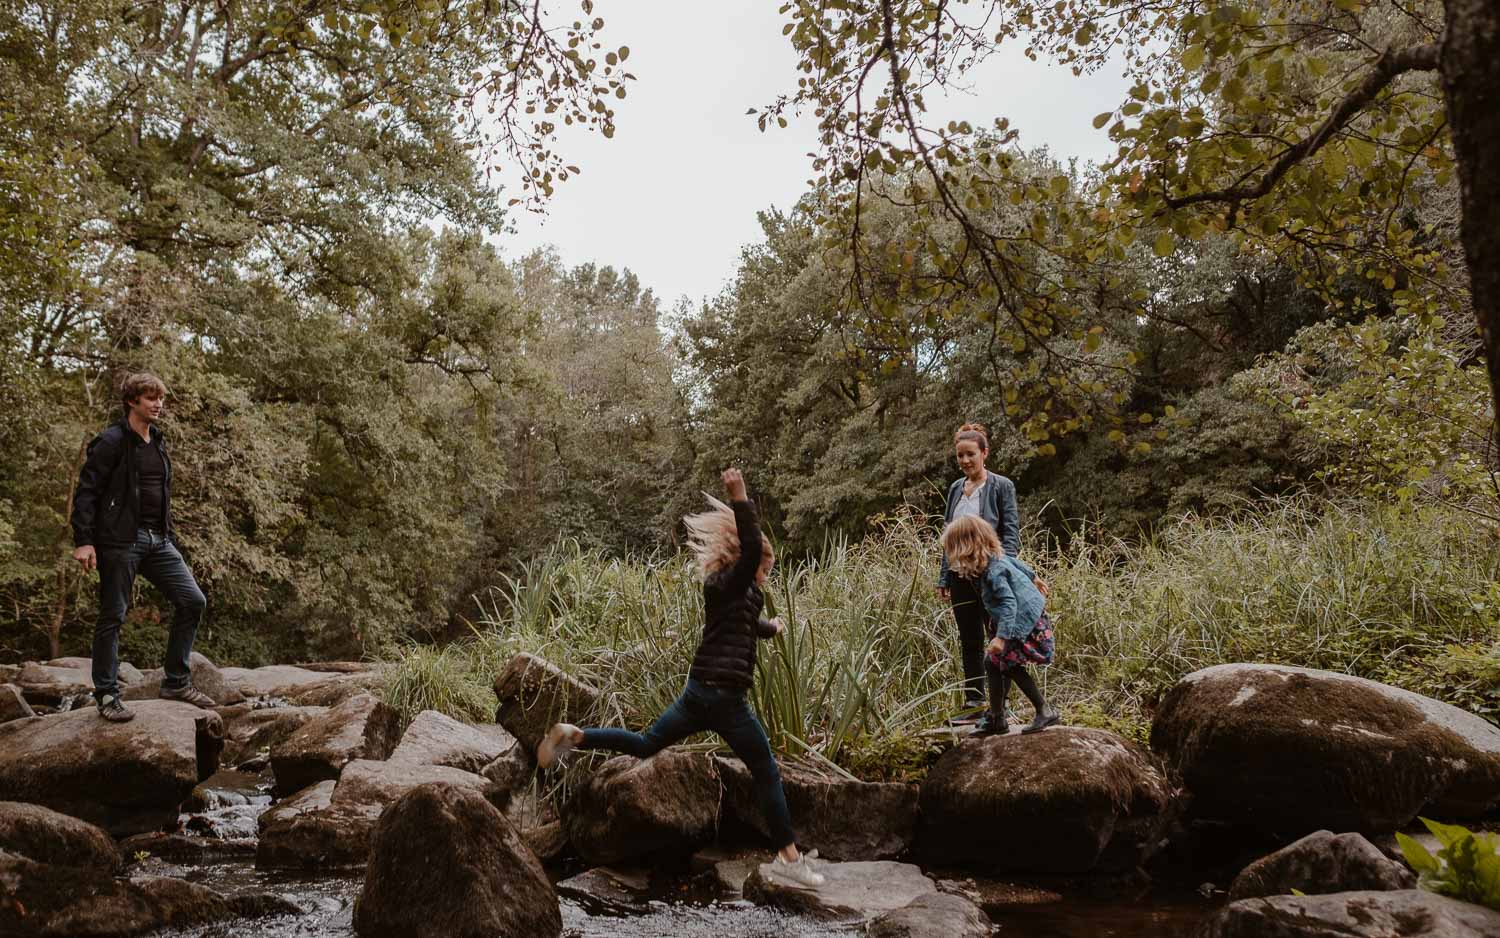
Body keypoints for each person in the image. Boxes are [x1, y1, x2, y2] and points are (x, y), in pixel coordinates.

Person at [536, 468, 825, 887]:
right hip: (728, 703)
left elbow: (748, 623)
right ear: (750, 562)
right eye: (765, 569)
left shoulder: (729, 591)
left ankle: (578, 737)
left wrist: (773, 627)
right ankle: (789, 858)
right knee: (765, 772)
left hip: (696, 694)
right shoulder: (733, 581)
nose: (765, 576)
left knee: (646, 743)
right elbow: (748, 562)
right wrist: (740, 496)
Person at [70, 373, 215, 722]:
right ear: (132, 401)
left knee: (192, 600)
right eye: (151, 398)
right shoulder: (111, 441)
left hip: (158, 540)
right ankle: (106, 694)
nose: (158, 404)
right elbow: (87, 492)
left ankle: (176, 681)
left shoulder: (157, 441)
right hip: (120, 541)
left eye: (160, 398)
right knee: (113, 615)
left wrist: (165, 533)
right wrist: (85, 540)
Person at [940, 514, 1060, 735]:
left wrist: (1001, 638)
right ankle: (997, 718)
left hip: (1022, 619)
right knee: (994, 663)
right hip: (1023, 616)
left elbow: (1008, 603)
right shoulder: (994, 559)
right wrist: (1034, 578)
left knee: (1003, 662)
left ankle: (1043, 709)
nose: (951, 557)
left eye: (952, 550)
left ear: (966, 548)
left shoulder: (993, 572)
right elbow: (1015, 562)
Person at [936, 422, 1021, 722]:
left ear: (984, 453)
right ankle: (974, 704)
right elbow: (949, 534)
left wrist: (1004, 569)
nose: (965, 461)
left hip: (990, 576)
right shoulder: (955, 489)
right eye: (960, 456)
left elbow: (1010, 534)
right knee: (969, 641)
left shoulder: (1001, 486)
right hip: (960, 576)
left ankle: (1000, 706)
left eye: (970, 454)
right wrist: (944, 575)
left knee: (998, 638)